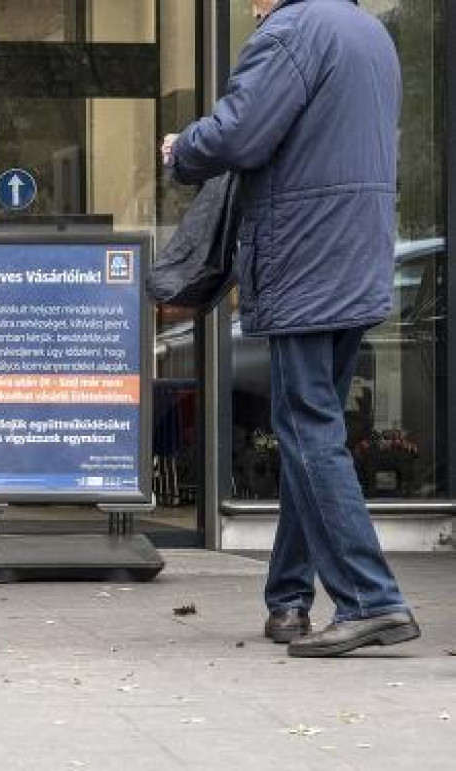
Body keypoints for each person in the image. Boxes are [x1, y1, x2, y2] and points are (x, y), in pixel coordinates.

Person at [163, 0, 418, 657]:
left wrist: (180, 148)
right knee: (313, 421)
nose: (250, 5)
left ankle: (371, 598)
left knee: (306, 426)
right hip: (355, 256)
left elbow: (240, 134)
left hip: (306, 256)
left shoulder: (293, 32)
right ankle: (288, 599)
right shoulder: (371, 34)